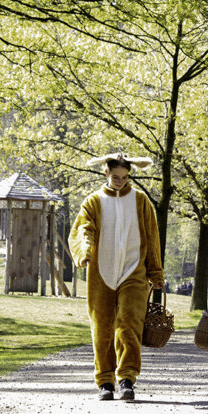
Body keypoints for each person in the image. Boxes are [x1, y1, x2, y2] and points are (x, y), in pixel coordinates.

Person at [69, 153, 164, 401]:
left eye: (124, 177)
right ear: (106, 174)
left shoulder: (141, 201)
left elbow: (153, 239)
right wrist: (85, 252)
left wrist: (156, 272)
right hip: (101, 271)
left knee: (129, 324)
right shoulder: (93, 201)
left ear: (129, 174)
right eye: (115, 177)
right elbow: (82, 230)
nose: (120, 181)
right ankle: (105, 382)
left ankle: (126, 379)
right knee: (101, 328)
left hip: (134, 271)